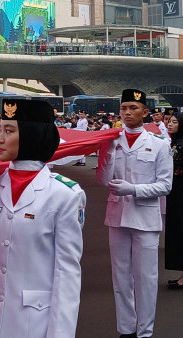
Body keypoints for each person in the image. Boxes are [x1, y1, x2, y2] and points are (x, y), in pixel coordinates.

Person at [0, 99, 85, 338]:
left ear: (32, 135)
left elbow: (67, 273)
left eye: (9, 131)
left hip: (33, 322)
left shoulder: (64, 195)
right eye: (0, 130)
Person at [96, 89, 173, 338]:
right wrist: (106, 154)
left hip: (145, 217)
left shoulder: (159, 144)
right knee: (120, 277)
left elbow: (165, 185)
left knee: (147, 279)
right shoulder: (113, 141)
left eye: (133, 108)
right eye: (124, 108)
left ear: (145, 112)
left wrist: (134, 189)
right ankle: (126, 329)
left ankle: (145, 331)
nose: (127, 112)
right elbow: (103, 180)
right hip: (117, 216)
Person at [165, 112, 183, 289]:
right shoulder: (174, 143)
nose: (170, 124)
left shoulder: (179, 145)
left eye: (175, 122)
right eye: (169, 121)